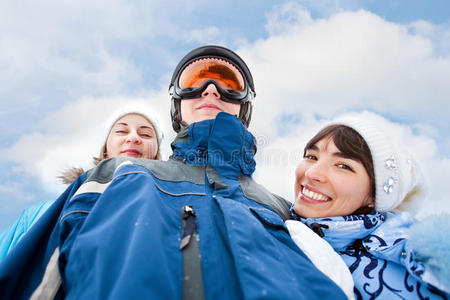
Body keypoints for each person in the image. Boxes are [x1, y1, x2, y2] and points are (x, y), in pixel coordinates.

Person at [0, 45, 347, 299]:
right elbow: (34, 284)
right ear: (177, 104)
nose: (211, 90)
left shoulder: (284, 209)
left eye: (228, 82)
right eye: (196, 80)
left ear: (244, 108)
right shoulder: (116, 176)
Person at [286, 115, 450, 299]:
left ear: (373, 195)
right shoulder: (273, 228)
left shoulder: (421, 250)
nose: (312, 173)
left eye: (343, 166)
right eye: (311, 156)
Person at [0, 104, 163, 262]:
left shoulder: (174, 214)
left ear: (157, 154)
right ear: (105, 148)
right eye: (121, 131)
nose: (133, 138)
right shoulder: (42, 214)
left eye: (146, 135)